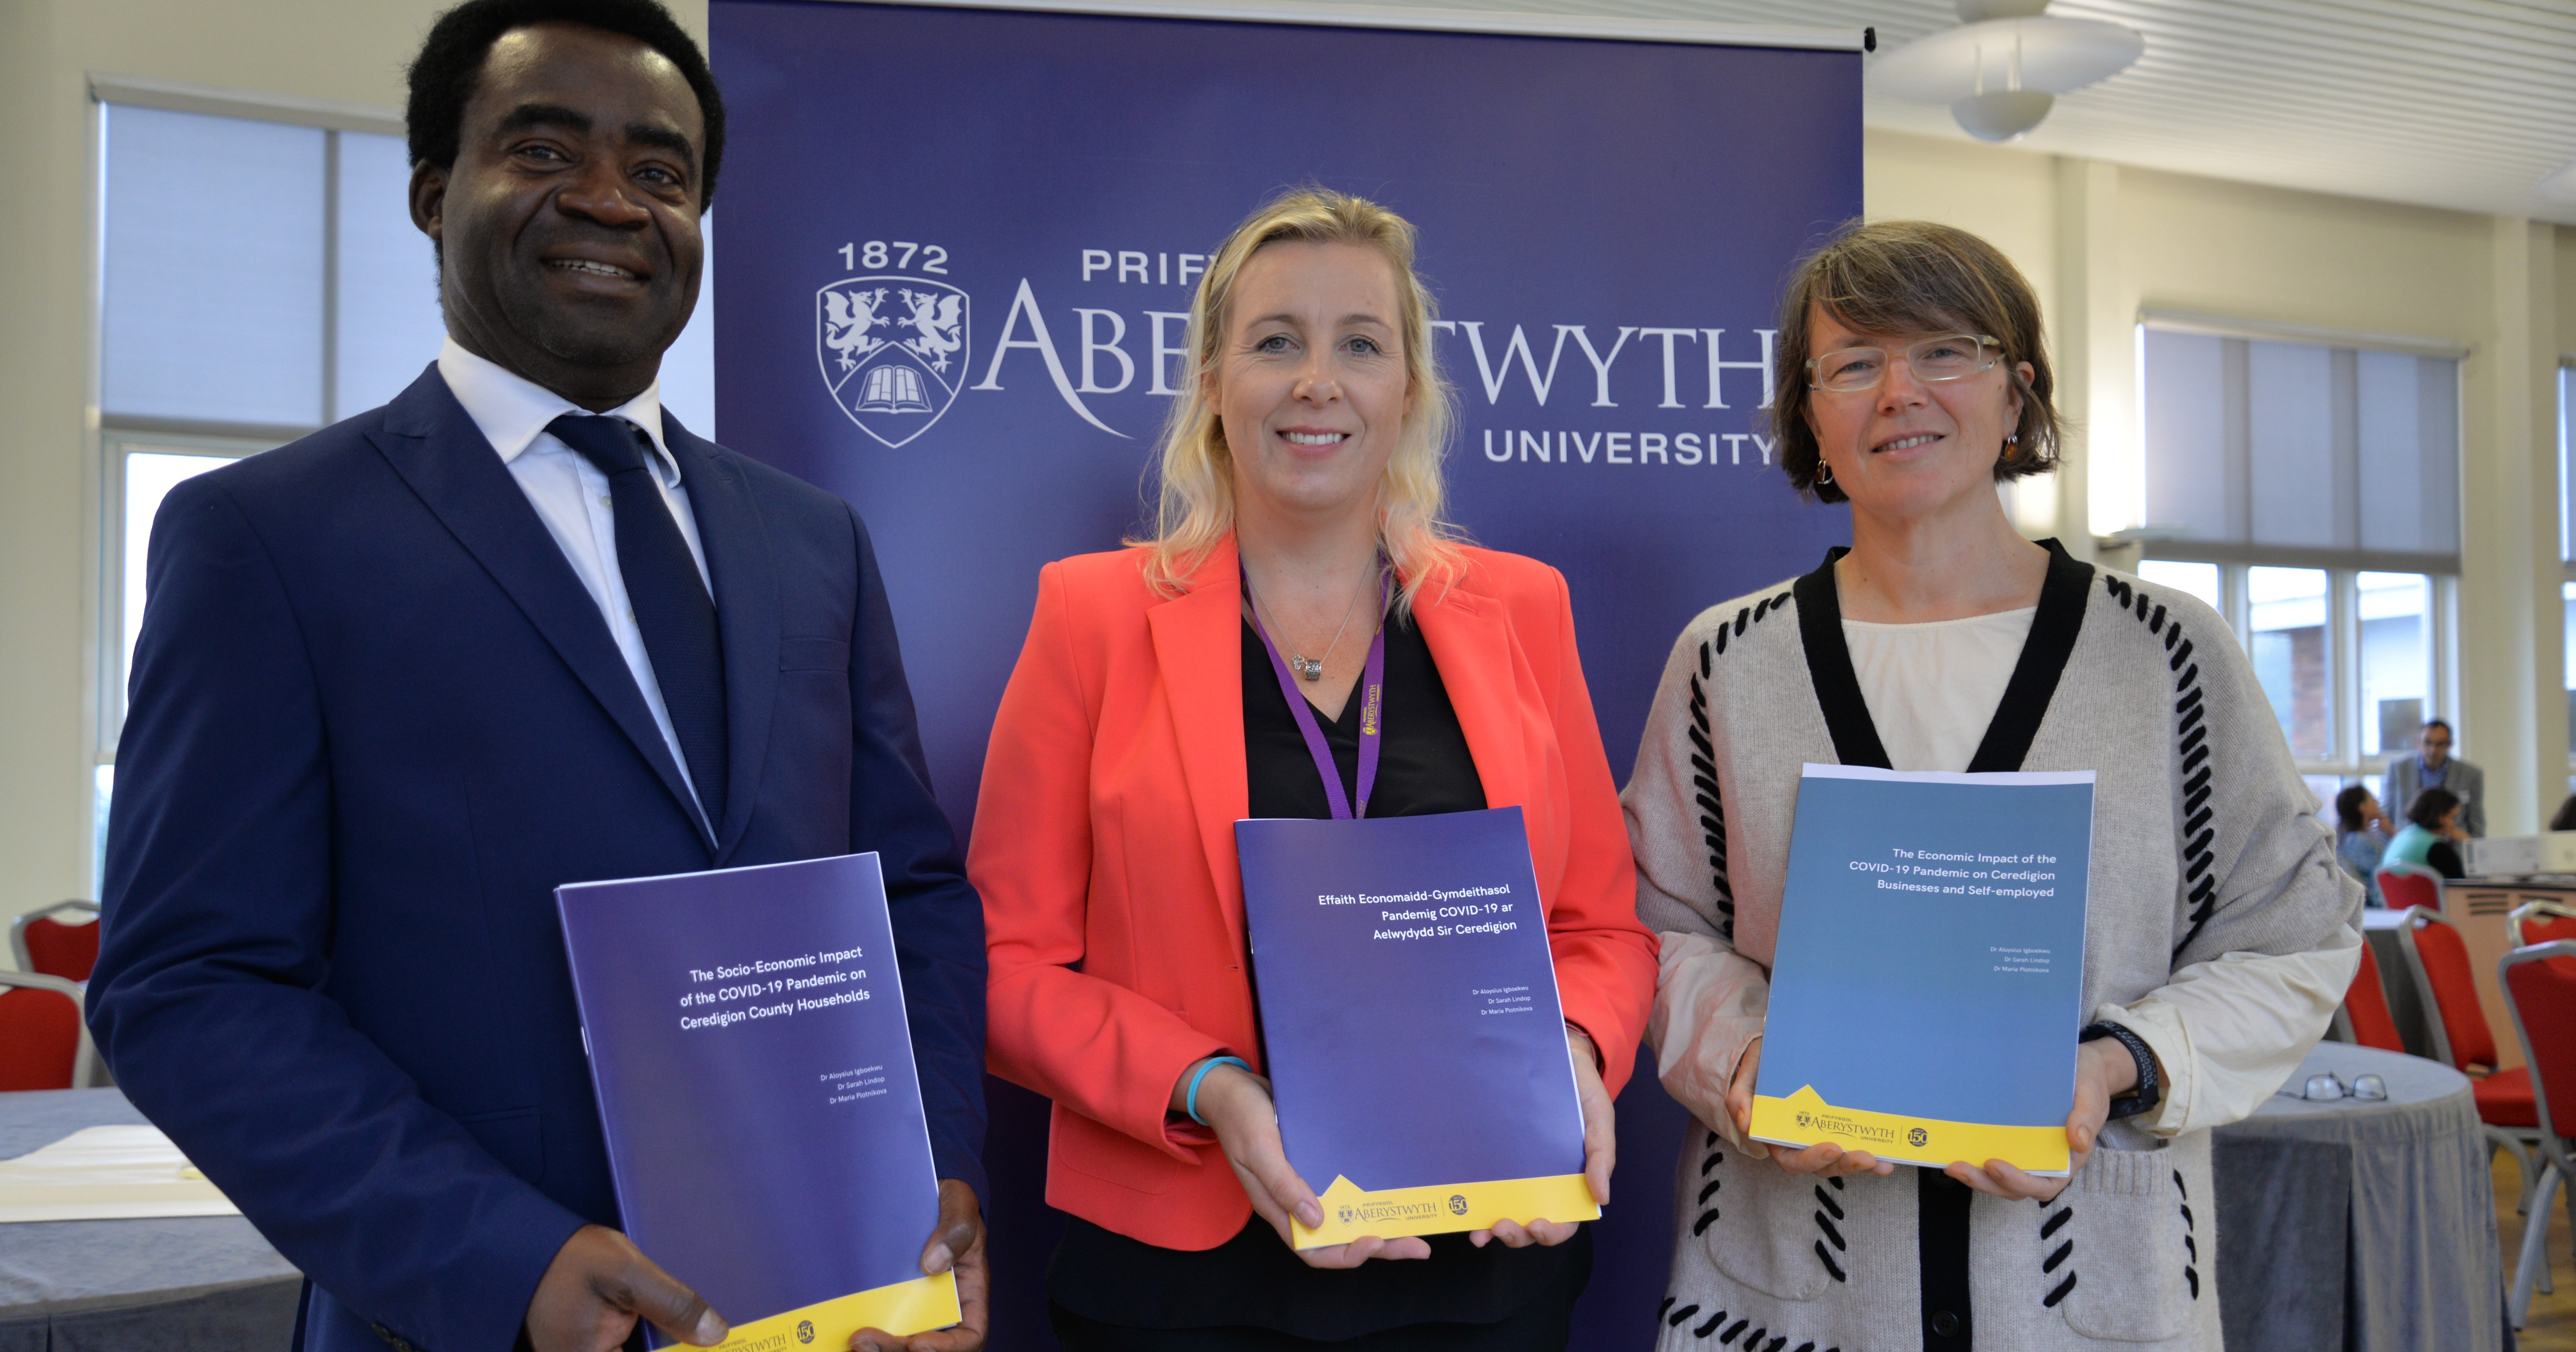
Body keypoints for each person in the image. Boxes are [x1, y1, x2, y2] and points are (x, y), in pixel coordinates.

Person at [83, 4, 989, 1349]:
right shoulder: (268, 539)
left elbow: (906, 888)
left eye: (663, 172)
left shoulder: (810, 540)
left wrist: (932, 1173)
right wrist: (505, 1258)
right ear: (436, 195)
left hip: (833, 1300)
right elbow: (192, 979)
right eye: (546, 149)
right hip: (472, 1312)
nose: (612, 200)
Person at [1624, 220, 2361, 1351]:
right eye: (1853, 364)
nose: (1897, 393)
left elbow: (2293, 938)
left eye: (1944, 352)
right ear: (1809, 413)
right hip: (1788, 1286)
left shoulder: (2165, 655)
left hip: (2090, 1295)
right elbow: (1654, 926)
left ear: (2015, 394)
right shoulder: (1725, 662)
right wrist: (1750, 1061)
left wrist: (2110, 1063)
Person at [972, 188, 1657, 1349]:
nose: (1315, 380)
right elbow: (1003, 963)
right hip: (1183, 1274)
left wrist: (1579, 1057)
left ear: (1407, 392)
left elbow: (1600, 930)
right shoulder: (1089, 613)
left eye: (1359, 344)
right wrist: (1212, 1087)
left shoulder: (1519, 609)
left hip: (1486, 1262)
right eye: (1274, 341)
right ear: (1210, 384)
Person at [2384, 719, 2484, 838]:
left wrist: (2478, 851)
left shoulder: (2471, 775)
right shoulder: (2398, 769)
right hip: (2409, 844)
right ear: (2418, 742)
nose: (2433, 750)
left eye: (2440, 744)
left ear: (2450, 744)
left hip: (2452, 847)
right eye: (2428, 743)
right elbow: (2387, 812)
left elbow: (2476, 821)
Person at [2384, 788, 2469, 880]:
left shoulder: (2403, 835)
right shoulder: (2436, 848)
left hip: (2391, 894)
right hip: (2421, 894)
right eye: (2453, 817)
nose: (2454, 824)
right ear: (2440, 817)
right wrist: (2468, 844)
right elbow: (2462, 881)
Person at [2335, 784, 2391, 905]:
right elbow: (2392, 868)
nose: (2376, 801)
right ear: (2363, 807)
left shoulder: (2344, 839)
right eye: (2372, 799)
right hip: (2378, 907)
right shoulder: (2364, 843)